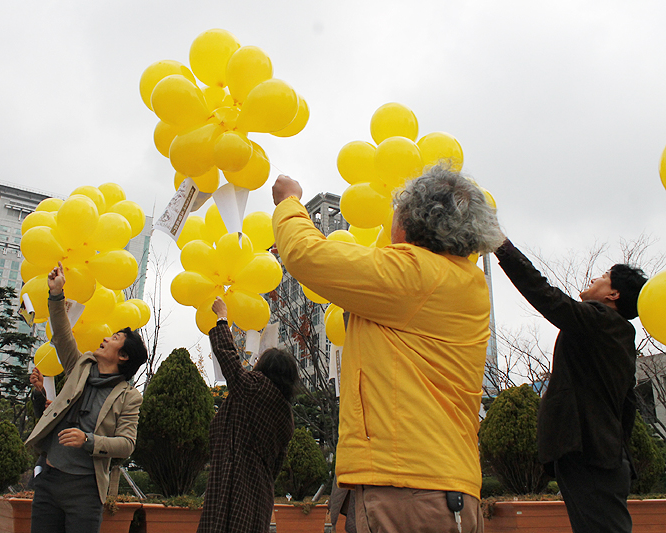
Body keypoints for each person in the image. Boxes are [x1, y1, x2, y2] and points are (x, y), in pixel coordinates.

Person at [272, 164, 504, 532]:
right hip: (435, 486)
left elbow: (306, 255)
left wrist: (289, 203)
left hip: (408, 490)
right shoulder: (462, 281)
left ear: (412, 220)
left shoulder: (414, 276)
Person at [494, 239, 647, 533]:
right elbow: (627, 407)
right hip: (599, 458)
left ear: (613, 294)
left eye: (603, 276)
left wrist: (502, 247)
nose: (594, 278)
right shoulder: (619, 336)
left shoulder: (603, 321)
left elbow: (547, 297)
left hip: (592, 458)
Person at [25, 262, 148, 533]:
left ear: (124, 356)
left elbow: (127, 444)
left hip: (86, 490)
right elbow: (61, 335)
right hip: (49, 477)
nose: (105, 338)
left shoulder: (129, 397)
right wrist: (56, 294)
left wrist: (88, 441)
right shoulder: (80, 366)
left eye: (114, 338)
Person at [197, 296, 300, 533]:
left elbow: (230, 361)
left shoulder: (256, 387)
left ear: (264, 369)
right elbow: (276, 464)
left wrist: (222, 318)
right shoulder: (286, 414)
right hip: (260, 491)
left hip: (233, 487)